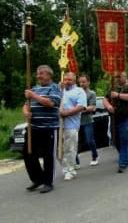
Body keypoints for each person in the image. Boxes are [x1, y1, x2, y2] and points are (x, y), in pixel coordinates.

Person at [23, 65, 61, 193]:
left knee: (48, 156)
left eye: (41, 73)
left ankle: (48, 182)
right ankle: (38, 179)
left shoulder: (55, 87)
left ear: (49, 75)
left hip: (48, 128)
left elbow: (50, 103)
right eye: (37, 73)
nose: (38, 76)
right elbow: (25, 106)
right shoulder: (34, 89)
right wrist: (26, 112)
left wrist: (33, 95)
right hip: (33, 128)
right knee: (28, 153)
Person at [103, 72, 128, 173]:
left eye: (119, 77)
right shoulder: (113, 87)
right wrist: (108, 106)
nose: (117, 79)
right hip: (115, 118)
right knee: (115, 140)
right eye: (116, 77)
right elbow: (105, 98)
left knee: (125, 140)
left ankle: (122, 163)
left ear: (125, 77)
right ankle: (126, 157)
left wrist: (118, 95)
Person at [60, 72, 87, 181]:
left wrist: (66, 113)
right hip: (58, 125)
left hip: (71, 124)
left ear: (74, 81)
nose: (67, 81)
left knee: (70, 149)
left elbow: (81, 106)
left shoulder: (79, 91)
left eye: (69, 80)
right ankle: (65, 168)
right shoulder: (60, 90)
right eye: (65, 79)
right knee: (59, 150)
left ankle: (70, 170)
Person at [75, 74, 99, 168]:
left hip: (87, 120)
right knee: (75, 142)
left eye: (83, 82)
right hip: (76, 121)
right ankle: (76, 162)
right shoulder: (75, 93)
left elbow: (92, 107)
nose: (81, 84)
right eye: (80, 82)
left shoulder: (91, 93)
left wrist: (80, 109)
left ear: (88, 82)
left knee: (90, 140)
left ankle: (94, 156)